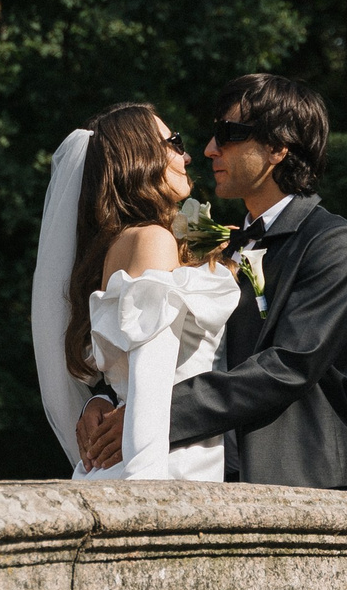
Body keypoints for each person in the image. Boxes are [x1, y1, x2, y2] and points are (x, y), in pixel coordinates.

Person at [71, 74, 347, 488]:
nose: (210, 148)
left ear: (277, 147)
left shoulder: (332, 244)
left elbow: (290, 365)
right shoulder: (205, 242)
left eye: (229, 134)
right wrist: (105, 400)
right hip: (197, 471)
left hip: (293, 480)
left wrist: (152, 413)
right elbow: (163, 347)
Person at [30, 103, 241, 479]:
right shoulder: (152, 241)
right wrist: (146, 494)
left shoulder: (126, 242)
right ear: (138, 155)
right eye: (173, 143)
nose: (187, 155)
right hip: (162, 469)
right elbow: (150, 377)